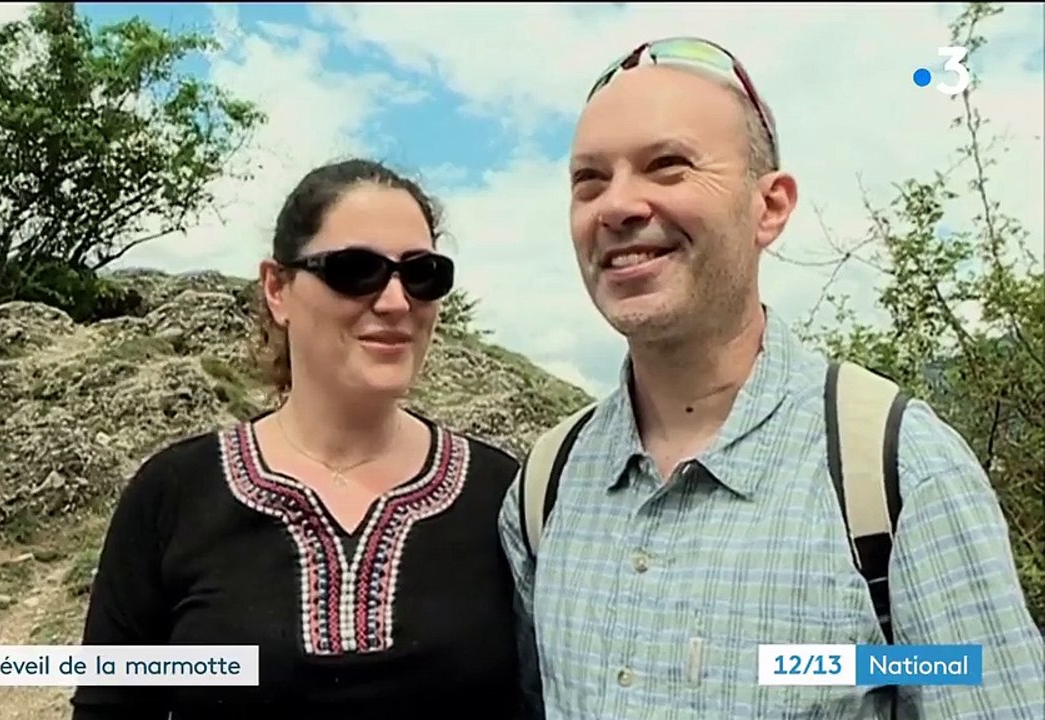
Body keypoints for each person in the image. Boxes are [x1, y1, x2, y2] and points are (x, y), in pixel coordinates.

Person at [499, 37, 1045, 719]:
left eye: (668, 166)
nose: (617, 206)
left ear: (771, 207)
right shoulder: (546, 486)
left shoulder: (901, 475)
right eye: (589, 180)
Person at [71, 158, 524, 719]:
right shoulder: (175, 496)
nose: (394, 301)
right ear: (277, 290)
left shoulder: (503, 496)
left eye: (422, 274)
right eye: (355, 269)